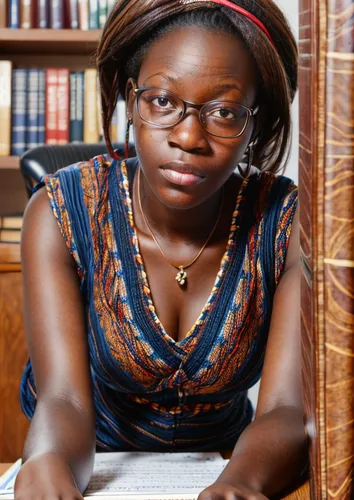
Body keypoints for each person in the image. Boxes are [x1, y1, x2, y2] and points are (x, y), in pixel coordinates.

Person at [15, 0, 307, 499]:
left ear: (255, 122)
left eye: (224, 111)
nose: (190, 137)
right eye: (163, 102)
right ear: (131, 99)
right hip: (94, 469)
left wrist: (236, 484)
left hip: (229, 467)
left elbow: (285, 408)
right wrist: (47, 463)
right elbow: (64, 399)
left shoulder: (286, 222)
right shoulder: (60, 213)